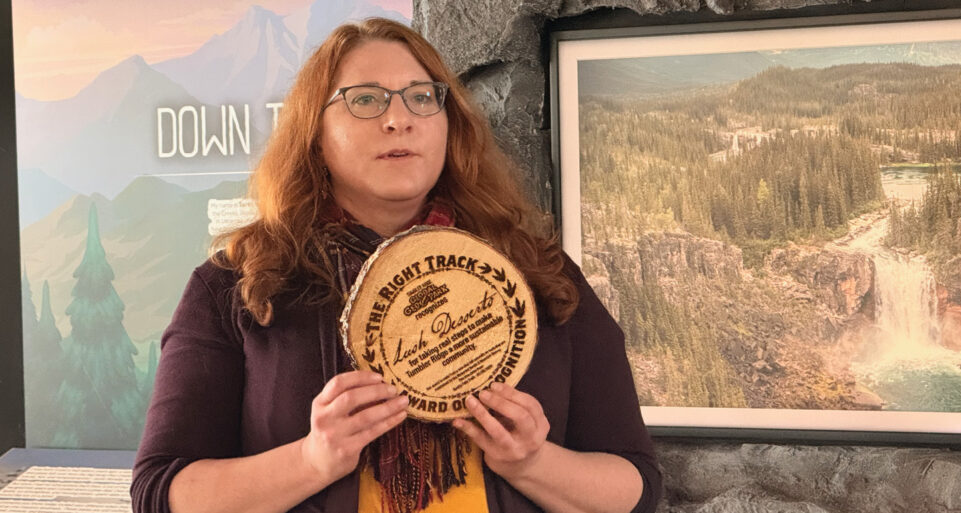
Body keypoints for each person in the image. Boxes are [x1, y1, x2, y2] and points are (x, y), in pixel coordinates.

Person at [131, 17, 661, 513]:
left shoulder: (537, 271)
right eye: (365, 99)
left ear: (449, 123)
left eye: (421, 97)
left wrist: (533, 463)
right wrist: (312, 461)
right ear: (314, 133)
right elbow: (160, 493)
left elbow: (636, 485)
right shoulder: (238, 284)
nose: (398, 119)